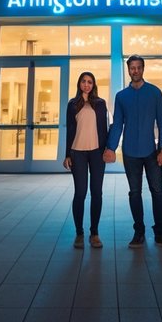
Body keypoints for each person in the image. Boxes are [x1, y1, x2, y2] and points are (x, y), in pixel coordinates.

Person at [103, 55, 162, 247]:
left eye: (138, 67)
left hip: (152, 151)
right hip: (130, 153)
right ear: (128, 70)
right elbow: (117, 125)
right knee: (134, 193)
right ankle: (138, 233)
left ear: (143, 69)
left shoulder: (155, 93)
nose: (135, 71)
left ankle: (160, 233)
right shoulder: (121, 96)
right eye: (132, 68)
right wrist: (110, 147)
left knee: (157, 191)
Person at [63, 71, 108, 248]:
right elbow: (69, 131)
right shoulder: (72, 104)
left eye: (90, 82)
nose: (87, 84)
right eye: (84, 81)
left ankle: (94, 233)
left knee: (97, 193)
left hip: (97, 153)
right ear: (79, 83)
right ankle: (79, 233)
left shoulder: (100, 104)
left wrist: (108, 150)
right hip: (77, 153)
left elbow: (104, 129)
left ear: (93, 84)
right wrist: (67, 154)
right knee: (80, 193)